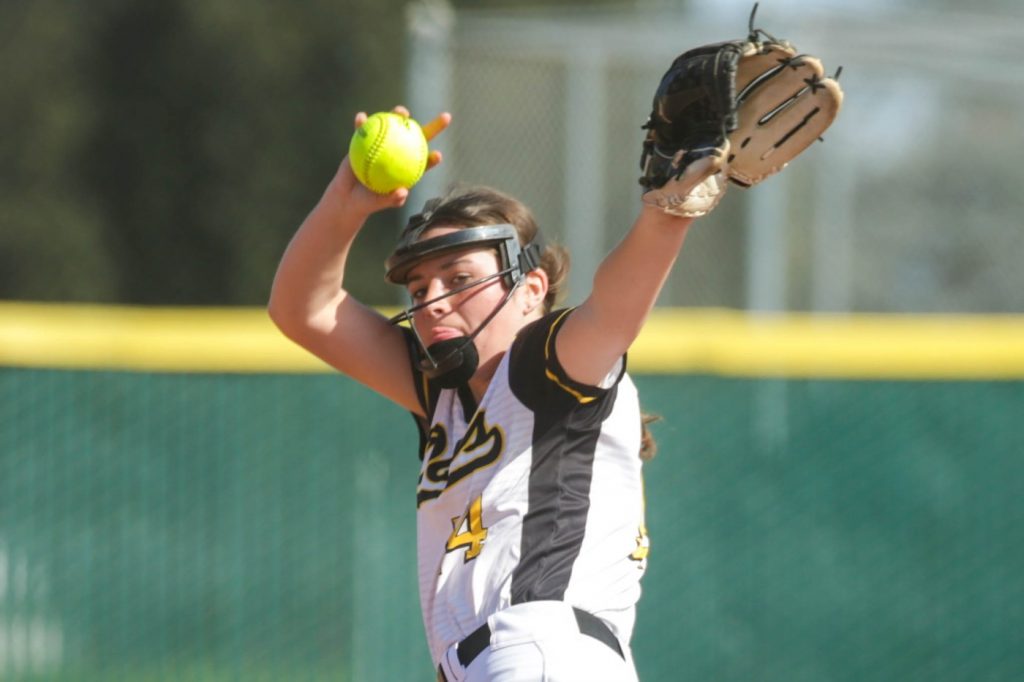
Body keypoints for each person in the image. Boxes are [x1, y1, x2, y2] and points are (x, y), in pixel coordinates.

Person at [268, 106, 699, 682]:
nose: (434, 300)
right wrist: (345, 203)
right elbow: (304, 310)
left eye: (460, 278)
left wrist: (668, 206)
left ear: (532, 288)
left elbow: (617, 308)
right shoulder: (443, 393)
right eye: (420, 287)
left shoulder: (546, 364)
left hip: (541, 654)